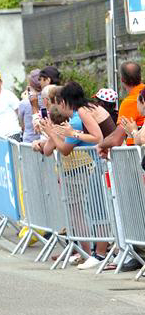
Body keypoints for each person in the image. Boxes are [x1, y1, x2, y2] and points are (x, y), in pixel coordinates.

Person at [39, 82, 110, 270]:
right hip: (94, 163)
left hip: (93, 164)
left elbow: (98, 138)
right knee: (92, 209)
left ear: (64, 101)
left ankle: (98, 253)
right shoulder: (79, 114)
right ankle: (93, 252)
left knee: (97, 209)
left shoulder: (81, 114)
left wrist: (69, 134)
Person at [97, 62, 144, 155]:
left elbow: (116, 139)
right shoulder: (143, 93)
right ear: (140, 77)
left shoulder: (129, 102)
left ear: (122, 80)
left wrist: (100, 145)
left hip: (138, 156)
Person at [18, 70, 44, 143]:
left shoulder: (24, 103)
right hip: (45, 141)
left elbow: (21, 123)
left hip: (29, 141)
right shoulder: (47, 98)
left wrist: (24, 100)